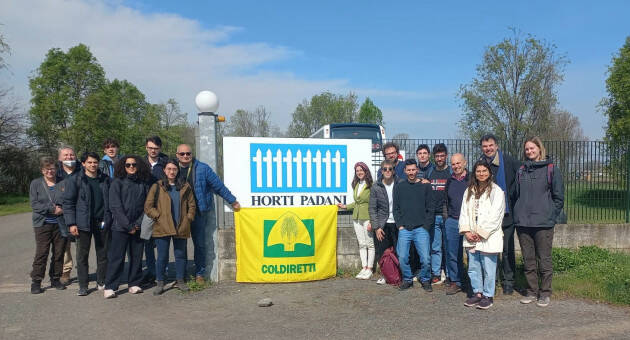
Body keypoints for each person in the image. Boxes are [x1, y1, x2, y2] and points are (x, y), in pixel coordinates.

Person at [175, 144, 240, 284]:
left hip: (199, 212)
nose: (186, 156)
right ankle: (181, 275)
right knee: (180, 245)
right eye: (182, 154)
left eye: (188, 153)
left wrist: (232, 201)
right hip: (180, 214)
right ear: (177, 155)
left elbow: (218, 186)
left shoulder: (203, 168)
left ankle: (199, 274)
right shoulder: (172, 168)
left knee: (199, 244)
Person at [514, 137, 564, 307]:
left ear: (539, 149)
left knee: (544, 260)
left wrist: (550, 215)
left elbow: (559, 198)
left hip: (543, 224)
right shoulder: (521, 170)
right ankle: (531, 291)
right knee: (528, 260)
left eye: (532, 148)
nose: (529, 151)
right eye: (527, 149)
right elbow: (516, 194)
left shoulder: (551, 169)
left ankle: (545, 293)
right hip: (523, 223)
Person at [63, 152, 112, 296]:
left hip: (101, 221)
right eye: (89, 162)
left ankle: (101, 281)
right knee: (82, 255)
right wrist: (71, 223)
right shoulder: (75, 180)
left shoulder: (105, 180)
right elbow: (68, 203)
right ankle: (83, 285)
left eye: (95, 162)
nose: (93, 165)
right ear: (83, 164)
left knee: (103, 254)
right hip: (83, 223)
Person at [144, 159, 196, 295]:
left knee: (180, 255)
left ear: (177, 170)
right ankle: (160, 282)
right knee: (162, 256)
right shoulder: (157, 186)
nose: (171, 172)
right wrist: (158, 216)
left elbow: (192, 205)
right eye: (169, 169)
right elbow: (148, 206)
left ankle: (180, 280)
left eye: (174, 169)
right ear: (164, 170)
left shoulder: (185, 186)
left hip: (181, 225)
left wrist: (189, 217)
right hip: (162, 226)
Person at [103, 156, 151, 298]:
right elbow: (115, 207)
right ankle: (110, 286)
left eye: (134, 164)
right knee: (116, 257)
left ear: (139, 166)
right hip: (120, 227)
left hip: (137, 227)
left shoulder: (142, 184)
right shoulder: (116, 183)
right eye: (128, 165)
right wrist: (127, 225)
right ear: (123, 167)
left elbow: (146, 206)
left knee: (136, 257)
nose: (131, 167)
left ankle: (134, 283)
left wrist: (137, 224)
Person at [478, 134, 520, 295]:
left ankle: (508, 281)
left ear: (496, 146)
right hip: (488, 216)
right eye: (485, 146)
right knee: (489, 249)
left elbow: (521, 177)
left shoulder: (509, 161)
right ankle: (492, 280)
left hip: (507, 214)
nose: (488, 148)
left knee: (507, 249)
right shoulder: (480, 164)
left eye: (490, 145)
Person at [460, 161, 505, 310]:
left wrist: (481, 233)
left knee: (488, 267)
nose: (481, 173)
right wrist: (467, 231)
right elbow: (464, 212)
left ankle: (488, 295)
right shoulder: (469, 191)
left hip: (488, 236)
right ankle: (477, 293)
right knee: (473, 266)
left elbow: (496, 216)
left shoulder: (497, 191)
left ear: (490, 172)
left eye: (484, 171)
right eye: (478, 171)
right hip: (471, 236)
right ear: (474, 173)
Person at [28, 157, 68, 294]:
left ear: (56, 169)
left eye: (52, 168)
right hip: (43, 224)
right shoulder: (36, 184)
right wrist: (52, 209)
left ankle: (55, 278)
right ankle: (36, 281)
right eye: (47, 169)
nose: (50, 171)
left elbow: (68, 200)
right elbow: (34, 204)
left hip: (60, 224)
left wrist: (62, 208)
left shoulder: (63, 183)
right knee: (42, 252)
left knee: (59, 252)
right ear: (42, 170)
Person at [393, 159, 434, 291]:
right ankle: (407, 279)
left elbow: (430, 208)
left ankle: (425, 279)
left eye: (413, 170)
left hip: (421, 228)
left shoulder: (425, 186)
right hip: (404, 229)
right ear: (405, 171)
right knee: (403, 256)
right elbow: (396, 208)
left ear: (417, 170)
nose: (411, 172)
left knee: (426, 259)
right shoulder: (399, 187)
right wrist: (400, 225)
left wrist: (426, 226)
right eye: (408, 170)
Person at [337, 162, 375, 279]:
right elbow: (357, 202)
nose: (359, 172)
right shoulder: (356, 184)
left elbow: (374, 203)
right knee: (362, 244)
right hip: (356, 218)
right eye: (357, 170)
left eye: (361, 170)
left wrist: (373, 221)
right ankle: (363, 267)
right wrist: (346, 206)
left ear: (366, 171)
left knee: (370, 244)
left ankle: (370, 268)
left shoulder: (371, 185)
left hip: (367, 217)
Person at [369, 159, 400, 284]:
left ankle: (398, 274)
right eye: (385, 169)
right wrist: (376, 227)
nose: (387, 171)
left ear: (393, 171)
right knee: (382, 251)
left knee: (399, 250)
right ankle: (385, 275)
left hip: (398, 223)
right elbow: (372, 208)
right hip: (383, 224)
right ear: (381, 171)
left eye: (390, 169)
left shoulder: (400, 183)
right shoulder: (376, 187)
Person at [142, 136, 168, 283]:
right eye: (150, 148)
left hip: (162, 209)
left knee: (162, 242)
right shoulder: (140, 163)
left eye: (156, 148)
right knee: (147, 242)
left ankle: (162, 271)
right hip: (145, 209)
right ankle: (151, 271)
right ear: (146, 147)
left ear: (160, 149)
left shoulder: (165, 163)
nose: (153, 150)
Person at [425, 143, 451, 285]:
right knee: (435, 247)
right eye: (437, 156)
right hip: (434, 216)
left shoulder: (451, 172)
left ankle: (449, 274)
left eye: (442, 156)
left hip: (448, 216)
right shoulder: (430, 173)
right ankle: (435, 273)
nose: (440, 158)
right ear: (434, 157)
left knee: (448, 247)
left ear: (446, 156)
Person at [443, 153, 468, 295]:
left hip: (468, 222)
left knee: (471, 253)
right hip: (452, 221)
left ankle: (472, 282)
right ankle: (455, 282)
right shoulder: (450, 181)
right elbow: (445, 201)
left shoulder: (471, 179)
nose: (456, 166)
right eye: (453, 164)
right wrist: (447, 219)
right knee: (452, 253)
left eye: (458, 163)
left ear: (464, 163)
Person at [56, 146, 81, 285]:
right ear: (60, 158)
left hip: (80, 213)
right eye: (65, 155)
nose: (69, 157)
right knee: (65, 245)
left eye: (71, 155)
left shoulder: (82, 171)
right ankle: (66, 271)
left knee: (81, 244)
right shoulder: (56, 174)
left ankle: (82, 270)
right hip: (61, 215)